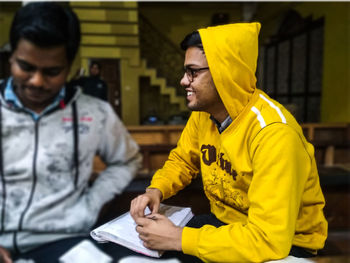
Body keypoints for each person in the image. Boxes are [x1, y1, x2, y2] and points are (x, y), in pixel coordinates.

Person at [130, 23, 328, 262]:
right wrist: (156, 189)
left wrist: (178, 238)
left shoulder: (274, 133)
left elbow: (267, 239)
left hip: (284, 245)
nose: (183, 81)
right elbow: (183, 160)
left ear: (226, 72)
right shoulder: (203, 114)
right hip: (228, 226)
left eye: (193, 72)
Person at [0, 2, 141, 262]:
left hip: (65, 242)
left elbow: (128, 160)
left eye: (52, 72)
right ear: (11, 57)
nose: (37, 81)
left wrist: (89, 206)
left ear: (69, 66)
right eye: (26, 67)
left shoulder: (95, 113)